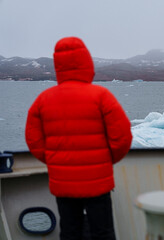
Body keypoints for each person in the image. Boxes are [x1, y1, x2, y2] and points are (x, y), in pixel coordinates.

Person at [25, 36, 133, 240]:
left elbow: (33, 140)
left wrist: (53, 160)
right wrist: (106, 161)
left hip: (63, 183)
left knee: (70, 232)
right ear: (86, 62)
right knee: (103, 232)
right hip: (98, 183)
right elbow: (122, 137)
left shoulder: (43, 100)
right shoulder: (102, 96)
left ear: (58, 66)